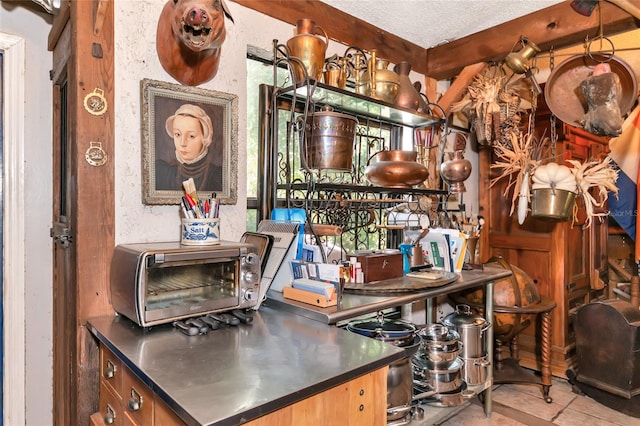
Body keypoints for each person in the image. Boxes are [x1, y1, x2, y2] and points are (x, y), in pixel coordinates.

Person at [155, 103, 222, 192]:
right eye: (178, 134)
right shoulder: (163, 173)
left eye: (191, 136)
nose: (182, 143)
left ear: (205, 137)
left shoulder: (218, 176)